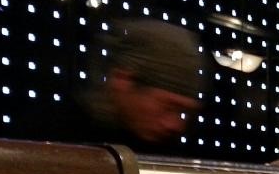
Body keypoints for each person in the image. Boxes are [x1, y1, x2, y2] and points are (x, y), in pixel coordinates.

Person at [43, 19, 207, 153]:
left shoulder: (165, 148)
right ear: (122, 80)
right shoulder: (52, 141)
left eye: (183, 113)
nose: (175, 125)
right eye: (168, 107)